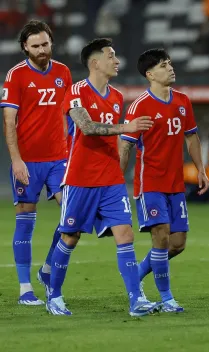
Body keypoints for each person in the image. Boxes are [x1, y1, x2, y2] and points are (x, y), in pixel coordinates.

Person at [46, 38, 157, 316]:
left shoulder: (117, 97)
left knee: (125, 234)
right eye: (111, 56)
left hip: (110, 180)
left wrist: (120, 168)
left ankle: (136, 300)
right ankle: (54, 296)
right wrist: (127, 127)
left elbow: (113, 138)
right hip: (80, 178)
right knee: (70, 236)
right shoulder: (76, 91)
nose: (117, 60)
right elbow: (86, 127)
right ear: (95, 62)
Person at [119, 48, 209, 313]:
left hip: (176, 185)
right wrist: (115, 182)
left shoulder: (182, 100)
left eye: (170, 63)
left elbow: (191, 137)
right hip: (150, 185)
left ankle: (135, 276)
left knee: (177, 243)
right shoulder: (140, 106)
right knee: (160, 237)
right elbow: (125, 147)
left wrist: (201, 169)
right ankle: (167, 298)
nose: (170, 68)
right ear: (150, 74)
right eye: (163, 65)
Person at [0, 20, 72, 305]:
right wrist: (16, 160)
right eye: (35, 46)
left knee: (72, 217)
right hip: (28, 161)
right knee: (25, 223)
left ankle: (47, 268)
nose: (42, 50)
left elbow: (68, 114)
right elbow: (9, 122)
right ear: (25, 48)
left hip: (59, 159)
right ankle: (25, 289)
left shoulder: (63, 72)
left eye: (45, 44)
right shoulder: (16, 76)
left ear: (51, 42)